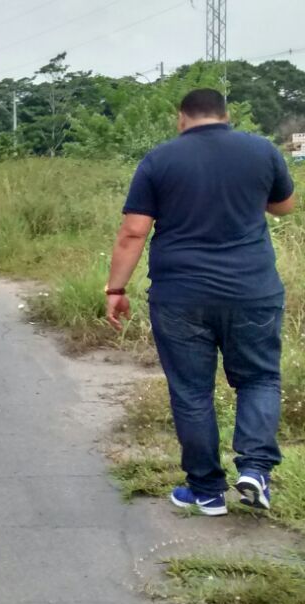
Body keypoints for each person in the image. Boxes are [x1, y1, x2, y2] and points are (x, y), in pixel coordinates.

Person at [107, 88, 296, 517]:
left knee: (192, 391)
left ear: (181, 118)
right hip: (252, 292)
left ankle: (207, 490)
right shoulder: (262, 150)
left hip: (180, 296)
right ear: (226, 115)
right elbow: (284, 207)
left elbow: (133, 232)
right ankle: (255, 469)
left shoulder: (159, 159)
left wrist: (116, 289)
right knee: (259, 379)